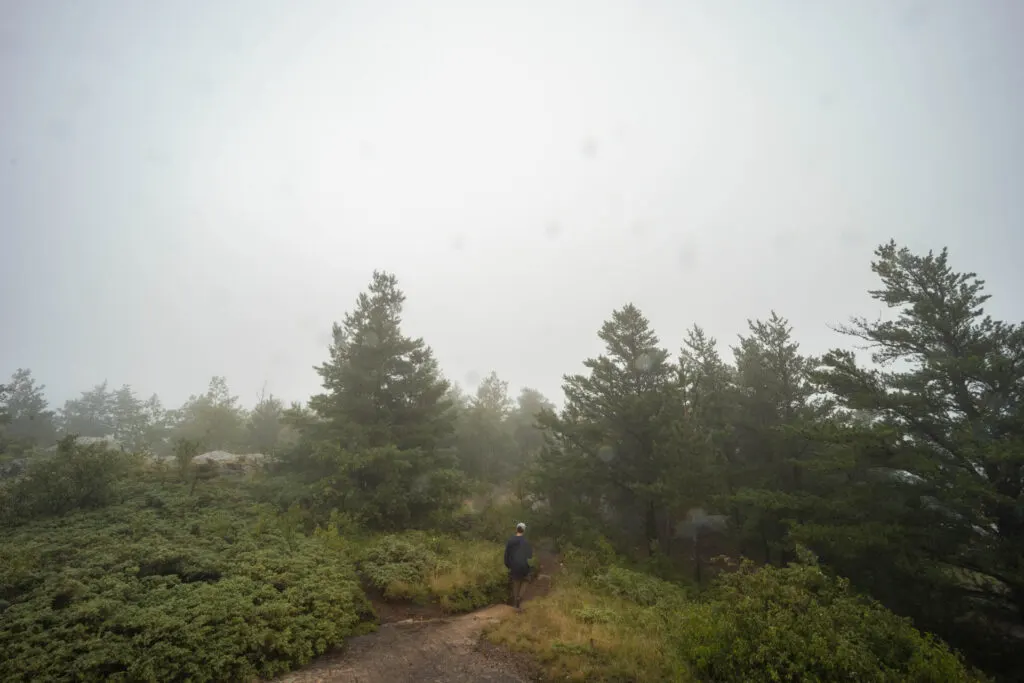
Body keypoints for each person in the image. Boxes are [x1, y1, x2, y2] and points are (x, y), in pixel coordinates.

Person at [504, 522, 533, 608]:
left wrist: (508, 565)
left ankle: (516, 602)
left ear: (516, 529)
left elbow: (506, 555)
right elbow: (530, 555)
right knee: (526, 580)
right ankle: (519, 597)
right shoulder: (525, 541)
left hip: (514, 565)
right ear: (524, 530)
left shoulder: (510, 540)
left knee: (516, 583)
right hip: (523, 565)